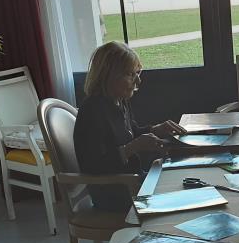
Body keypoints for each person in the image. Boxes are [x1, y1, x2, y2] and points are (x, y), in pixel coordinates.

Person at [74, 41, 185, 212]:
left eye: (138, 73)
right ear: (108, 75)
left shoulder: (119, 101)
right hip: (113, 193)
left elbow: (131, 133)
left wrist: (156, 130)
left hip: (133, 181)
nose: (138, 81)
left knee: (180, 179)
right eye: (130, 74)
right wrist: (132, 148)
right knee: (178, 192)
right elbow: (93, 166)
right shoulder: (91, 111)